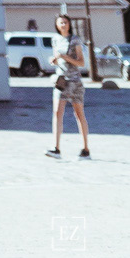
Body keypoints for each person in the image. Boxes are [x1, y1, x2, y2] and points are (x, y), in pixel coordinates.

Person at [46, 12, 92, 158]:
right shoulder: (55, 39)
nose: (63, 25)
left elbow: (81, 62)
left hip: (75, 81)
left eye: (65, 22)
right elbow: (57, 58)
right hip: (61, 80)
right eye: (60, 22)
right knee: (57, 112)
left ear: (69, 24)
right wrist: (54, 60)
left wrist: (65, 57)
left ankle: (85, 149)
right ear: (56, 25)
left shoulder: (74, 40)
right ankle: (56, 148)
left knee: (79, 114)